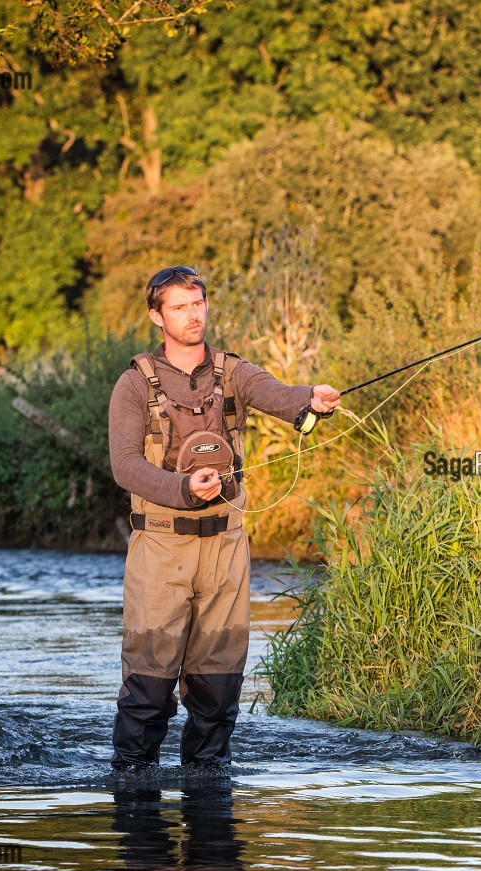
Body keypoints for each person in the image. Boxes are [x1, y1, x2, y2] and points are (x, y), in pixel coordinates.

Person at [107, 265, 340, 772]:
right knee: (149, 689)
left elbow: (276, 394)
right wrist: (183, 489)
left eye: (198, 303)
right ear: (156, 316)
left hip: (227, 549)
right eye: (179, 307)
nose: (193, 315)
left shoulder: (233, 372)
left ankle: (209, 799)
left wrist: (311, 398)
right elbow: (124, 465)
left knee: (218, 691)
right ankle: (132, 792)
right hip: (161, 550)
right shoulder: (133, 385)